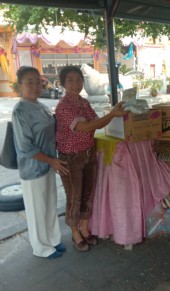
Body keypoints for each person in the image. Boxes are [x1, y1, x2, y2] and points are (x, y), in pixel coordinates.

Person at [55, 66, 126, 252]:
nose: (75, 84)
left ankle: (85, 228)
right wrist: (112, 114)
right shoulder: (63, 106)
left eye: (78, 79)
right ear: (62, 83)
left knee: (88, 194)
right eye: (70, 80)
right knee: (74, 197)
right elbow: (85, 127)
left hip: (88, 154)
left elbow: (97, 122)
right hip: (71, 158)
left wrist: (112, 112)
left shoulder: (83, 102)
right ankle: (74, 232)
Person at [12, 66, 68, 258]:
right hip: (33, 169)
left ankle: (52, 240)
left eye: (38, 81)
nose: (35, 86)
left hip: (49, 165)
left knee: (49, 204)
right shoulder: (20, 111)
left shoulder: (40, 105)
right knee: (37, 210)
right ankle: (41, 248)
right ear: (20, 85)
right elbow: (26, 147)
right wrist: (51, 160)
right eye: (29, 82)